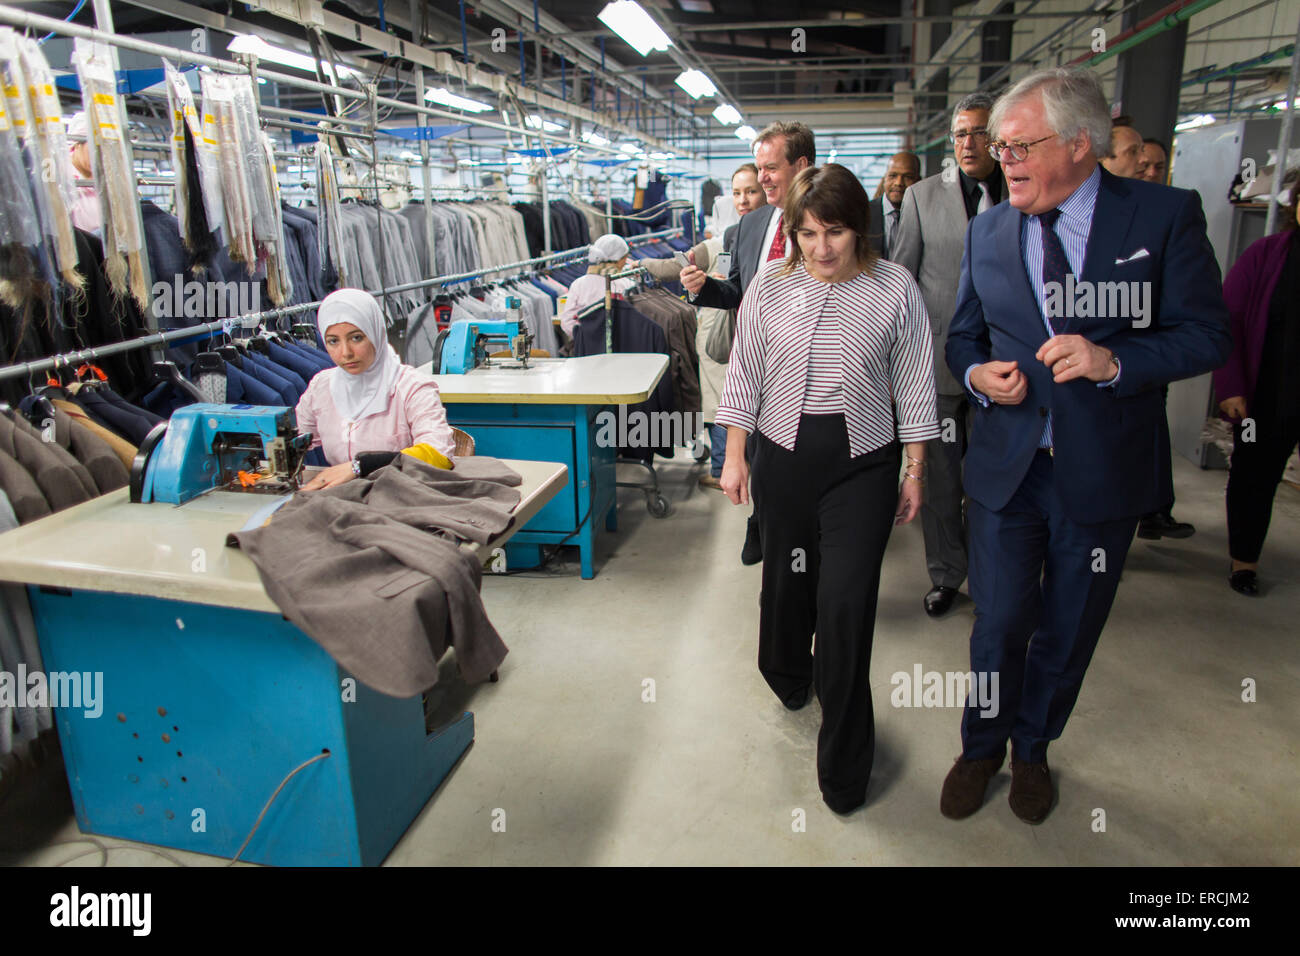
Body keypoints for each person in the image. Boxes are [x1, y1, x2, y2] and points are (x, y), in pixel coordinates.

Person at [941, 68, 1231, 825]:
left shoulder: (1163, 216)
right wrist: (976, 374)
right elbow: (963, 334)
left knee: (1069, 627)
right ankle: (981, 746)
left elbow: (1206, 333)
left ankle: (1034, 749)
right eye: (998, 146)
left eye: (1019, 145)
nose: (1003, 159)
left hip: (1101, 471)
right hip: (1008, 469)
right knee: (999, 622)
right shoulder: (991, 227)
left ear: (1079, 143)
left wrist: (1117, 363)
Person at [715, 164, 938, 815]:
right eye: (807, 233)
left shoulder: (894, 288)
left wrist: (916, 468)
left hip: (861, 467)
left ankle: (844, 766)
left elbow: (918, 382)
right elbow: (745, 376)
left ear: (858, 227)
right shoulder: (769, 287)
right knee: (788, 590)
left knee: (844, 608)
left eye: (834, 231)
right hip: (782, 462)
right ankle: (786, 671)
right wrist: (735, 456)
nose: (820, 247)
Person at [682, 121, 816, 563]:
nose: (763, 179)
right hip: (758, 364)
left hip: (816, 365)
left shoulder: (827, 220)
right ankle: (764, 524)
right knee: (762, 454)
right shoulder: (752, 225)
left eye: (772, 168)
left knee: (805, 456)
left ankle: (803, 534)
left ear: (802, 165)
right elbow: (737, 290)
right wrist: (703, 288)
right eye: (759, 169)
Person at [892, 92, 1005, 618]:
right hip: (936, 368)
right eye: (960, 133)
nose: (968, 143)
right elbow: (901, 281)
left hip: (1005, 367)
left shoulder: (1021, 190)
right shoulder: (921, 197)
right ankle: (945, 575)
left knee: (993, 481)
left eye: (980, 132)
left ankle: (991, 577)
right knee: (940, 479)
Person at [644, 163, 765, 489]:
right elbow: (687, 270)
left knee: (723, 400)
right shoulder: (726, 238)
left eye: (751, 191)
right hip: (723, 332)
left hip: (731, 335)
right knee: (728, 398)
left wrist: (639, 263)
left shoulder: (725, 243)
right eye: (737, 192)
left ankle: (721, 467)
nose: (743, 200)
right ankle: (729, 465)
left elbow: (672, 265)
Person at [1214, 174, 1300, 596]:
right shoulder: (1266, 255)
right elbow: (1227, 322)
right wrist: (1230, 386)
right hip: (1265, 396)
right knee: (1253, 478)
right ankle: (1243, 561)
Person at [296, 288, 457, 490]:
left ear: (375, 333)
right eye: (333, 341)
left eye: (356, 338)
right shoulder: (321, 387)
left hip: (402, 494)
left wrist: (359, 467)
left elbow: (439, 455)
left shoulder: (412, 387)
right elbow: (298, 438)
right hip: (344, 497)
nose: (345, 353)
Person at [557, 234, 636, 339]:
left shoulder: (579, 284)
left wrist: (586, 337)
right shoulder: (626, 284)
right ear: (619, 259)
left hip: (587, 348)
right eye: (625, 257)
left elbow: (567, 321)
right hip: (620, 344)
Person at [868, 151, 921, 259]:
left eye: (907, 177)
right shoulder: (863, 214)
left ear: (919, 181)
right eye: (892, 176)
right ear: (884, 179)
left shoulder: (925, 216)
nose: (898, 183)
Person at [65, 112, 100, 234]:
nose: (98, 155)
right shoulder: (61, 172)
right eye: (93, 147)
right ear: (76, 144)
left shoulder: (106, 175)